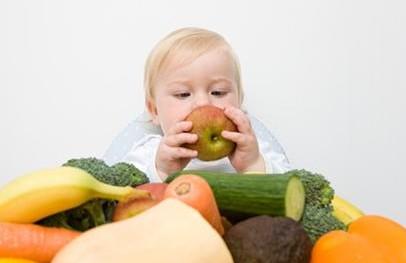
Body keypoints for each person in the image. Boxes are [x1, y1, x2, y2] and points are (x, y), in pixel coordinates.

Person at [103, 27, 291, 182]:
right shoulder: (148, 154)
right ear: (154, 110)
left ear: (239, 103)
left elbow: (292, 191)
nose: (203, 103)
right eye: (183, 94)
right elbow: (122, 200)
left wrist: (253, 164)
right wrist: (161, 171)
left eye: (218, 92)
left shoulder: (254, 148)